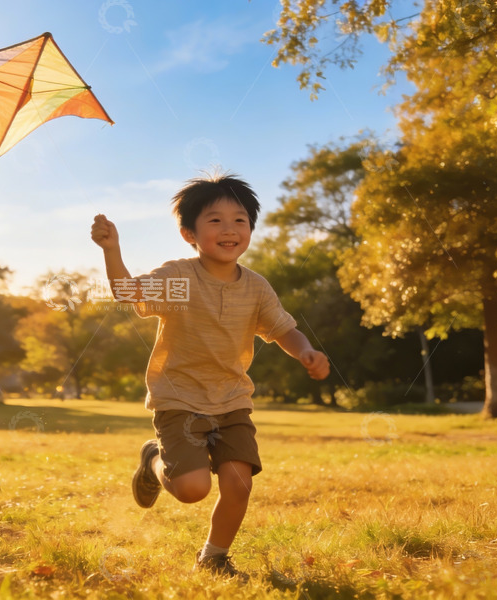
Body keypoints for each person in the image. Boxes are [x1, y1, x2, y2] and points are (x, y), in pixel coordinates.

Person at [90, 172, 330, 580]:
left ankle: (214, 557)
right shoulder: (181, 279)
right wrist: (112, 250)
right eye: (215, 220)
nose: (230, 229)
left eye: (240, 220)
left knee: (239, 484)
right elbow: (129, 293)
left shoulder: (255, 288)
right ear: (189, 234)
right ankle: (153, 461)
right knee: (192, 489)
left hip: (232, 400)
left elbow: (282, 329)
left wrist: (305, 351)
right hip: (179, 398)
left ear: (251, 229)